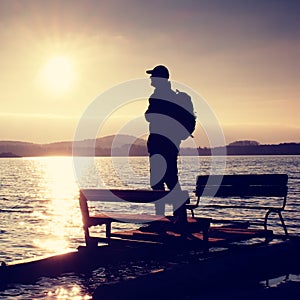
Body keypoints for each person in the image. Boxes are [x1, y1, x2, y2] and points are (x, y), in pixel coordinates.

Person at [145, 65, 191, 222]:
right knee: (168, 179)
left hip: (160, 144)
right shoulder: (167, 96)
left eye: (153, 76)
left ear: (159, 79)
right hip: (169, 144)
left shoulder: (159, 97)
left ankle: (165, 217)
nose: (150, 78)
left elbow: (150, 116)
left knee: (162, 180)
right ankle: (174, 215)